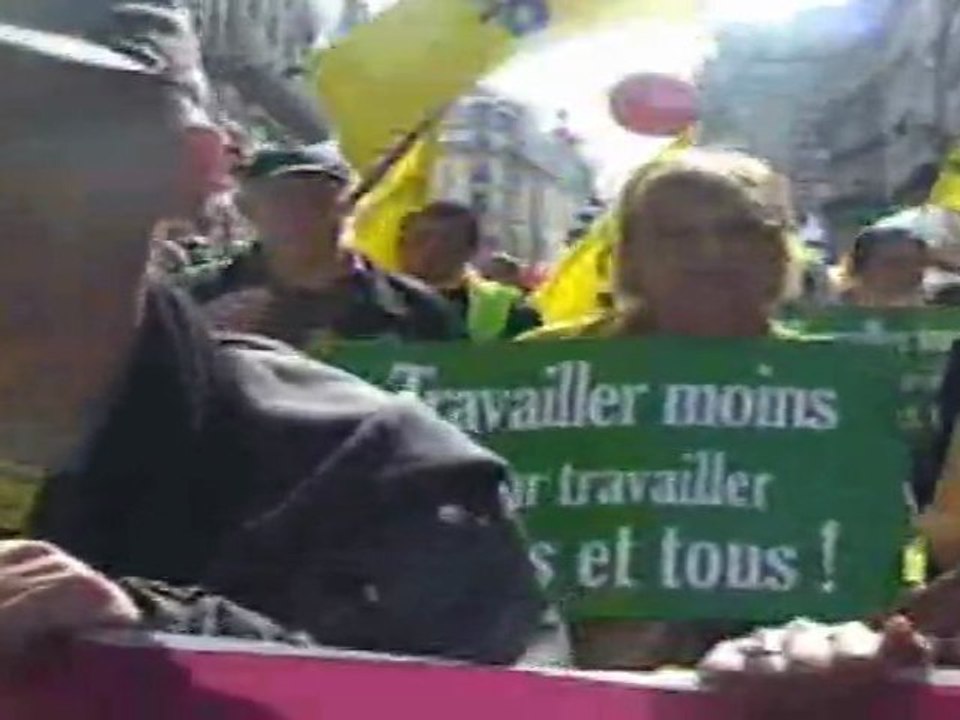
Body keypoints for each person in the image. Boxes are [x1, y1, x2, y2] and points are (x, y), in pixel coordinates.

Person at [0, 2, 555, 667]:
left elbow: (486, 700)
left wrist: (163, 647)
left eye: (33, 124)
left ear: (195, 170)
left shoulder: (375, 477)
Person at [523, 148, 802, 669]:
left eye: (739, 231)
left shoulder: (831, 385)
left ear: (780, 250)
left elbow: (877, 559)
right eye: (678, 235)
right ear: (629, 257)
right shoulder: (541, 368)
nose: (712, 253)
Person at [195, 146, 466, 348]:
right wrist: (202, 338)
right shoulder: (198, 298)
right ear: (247, 209)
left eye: (319, 200)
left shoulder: (418, 309)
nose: (303, 215)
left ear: (349, 208)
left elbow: (457, 391)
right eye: (283, 200)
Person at [399, 202, 542, 341]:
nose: (429, 251)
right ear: (402, 245)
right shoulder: (388, 302)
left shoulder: (507, 307)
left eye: (446, 241)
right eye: (420, 239)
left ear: (471, 249)